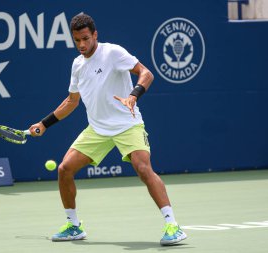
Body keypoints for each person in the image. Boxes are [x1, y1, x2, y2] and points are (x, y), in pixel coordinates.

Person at [29, 12, 187, 246]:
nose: (81, 45)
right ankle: (73, 226)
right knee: (64, 169)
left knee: (143, 168)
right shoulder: (77, 64)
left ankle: (172, 226)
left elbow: (147, 73)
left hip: (127, 124)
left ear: (95, 35)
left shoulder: (113, 52)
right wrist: (44, 123)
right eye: (77, 40)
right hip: (97, 129)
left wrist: (134, 95)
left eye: (85, 38)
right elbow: (71, 102)